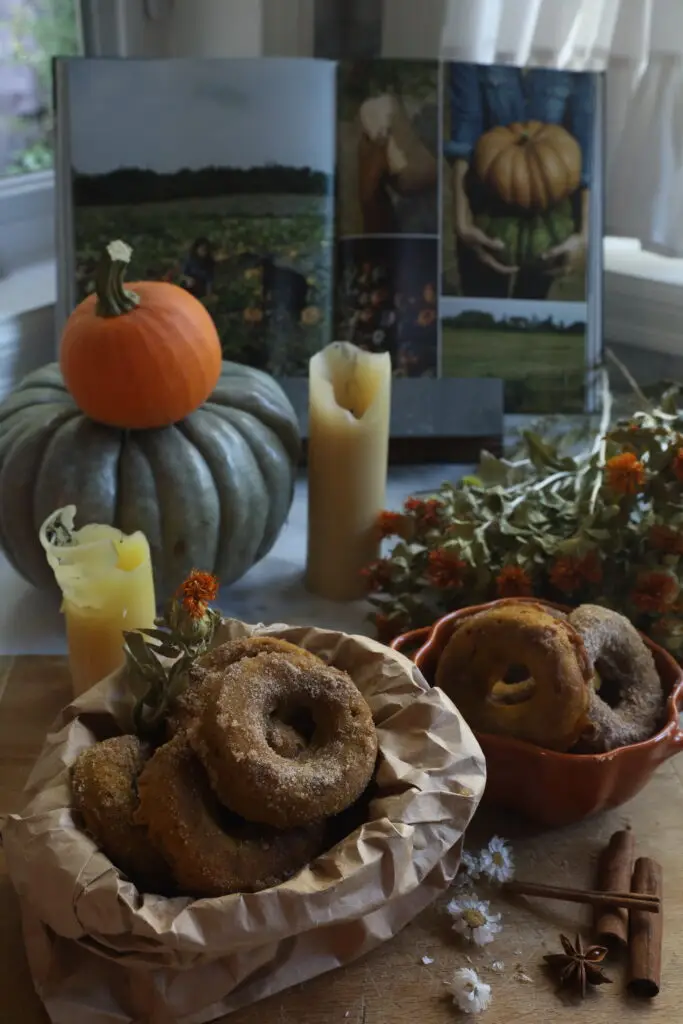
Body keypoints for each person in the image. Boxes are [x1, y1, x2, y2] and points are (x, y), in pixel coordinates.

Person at [445, 65, 594, 300]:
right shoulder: (475, 41)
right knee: (482, 300)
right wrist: (462, 222)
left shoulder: (574, 48)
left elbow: (586, 143)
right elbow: (464, 134)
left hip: (549, 217)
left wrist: (585, 233)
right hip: (486, 211)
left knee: (532, 304)